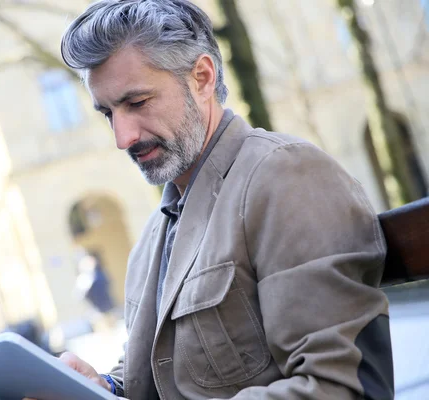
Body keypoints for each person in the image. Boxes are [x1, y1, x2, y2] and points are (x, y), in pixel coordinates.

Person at [29, 0, 394, 398]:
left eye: (136, 103)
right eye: (108, 113)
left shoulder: (286, 177)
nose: (123, 137)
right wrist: (104, 387)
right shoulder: (154, 235)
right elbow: (165, 378)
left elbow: (343, 388)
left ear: (202, 77)